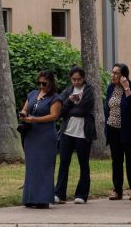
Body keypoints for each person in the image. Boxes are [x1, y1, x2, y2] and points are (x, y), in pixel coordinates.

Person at [19, 70, 61, 208]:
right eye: (40, 83)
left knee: (44, 166)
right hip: (32, 135)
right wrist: (24, 114)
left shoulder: (55, 98)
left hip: (46, 136)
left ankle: (43, 199)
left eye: (45, 84)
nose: (42, 86)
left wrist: (35, 119)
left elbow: (53, 116)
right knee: (32, 166)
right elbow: (26, 108)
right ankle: (30, 198)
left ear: (51, 84)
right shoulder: (32, 94)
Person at [55, 66, 96, 204]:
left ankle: (81, 194)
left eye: (79, 79)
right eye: (74, 79)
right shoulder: (68, 91)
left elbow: (85, 109)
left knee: (83, 163)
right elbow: (60, 110)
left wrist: (69, 110)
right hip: (68, 132)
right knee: (64, 162)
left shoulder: (89, 90)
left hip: (83, 132)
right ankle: (60, 194)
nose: (76, 82)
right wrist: (70, 101)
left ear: (83, 78)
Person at [104, 63, 131, 201]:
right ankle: (117, 190)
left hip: (129, 130)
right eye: (112, 72)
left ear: (123, 75)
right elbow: (107, 108)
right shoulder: (110, 88)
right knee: (117, 161)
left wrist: (126, 88)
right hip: (113, 129)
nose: (112, 75)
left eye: (116, 73)